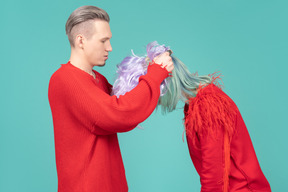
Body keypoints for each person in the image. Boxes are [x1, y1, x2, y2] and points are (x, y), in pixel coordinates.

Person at [113, 41, 271, 192]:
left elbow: (215, 171)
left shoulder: (208, 104)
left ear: (165, 83)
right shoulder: (195, 104)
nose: (154, 101)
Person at [48, 6, 173, 192]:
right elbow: (119, 114)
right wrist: (156, 73)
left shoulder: (98, 80)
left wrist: (147, 70)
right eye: (103, 40)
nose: (110, 47)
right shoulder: (64, 79)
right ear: (81, 40)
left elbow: (130, 108)